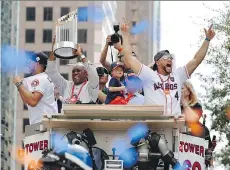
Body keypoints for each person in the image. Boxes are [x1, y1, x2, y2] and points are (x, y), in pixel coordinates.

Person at [121, 20, 215, 115]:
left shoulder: (178, 75)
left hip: (172, 125)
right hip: (154, 124)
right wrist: (125, 35)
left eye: (170, 58)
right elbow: (129, 58)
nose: (170, 60)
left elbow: (196, 60)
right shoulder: (149, 75)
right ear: (157, 62)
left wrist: (207, 40)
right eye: (165, 58)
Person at [46, 37, 99, 104]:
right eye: (73, 71)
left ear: (86, 74)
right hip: (67, 114)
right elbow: (51, 71)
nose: (75, 73)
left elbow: (92, 71)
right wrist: (54, 50)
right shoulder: (66, 85)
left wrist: (80, 54)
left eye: (78, 71)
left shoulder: (91, 86)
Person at [13, 52, 58, 124]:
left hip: (44, 124)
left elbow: (33, 102)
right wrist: (20, 86)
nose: (28, 65)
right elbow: (27, 101)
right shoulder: (44, 77)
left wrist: (19, 84)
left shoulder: (40, 78)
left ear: (37, 63)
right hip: (44, 123)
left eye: (30, 62)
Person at [181, 81, 216, 168]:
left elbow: (193, 118)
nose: (179, 90)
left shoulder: (196, 105)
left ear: (188, 92)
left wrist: (184, 103)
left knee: (204, 130)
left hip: (195, 135)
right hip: (179, 136)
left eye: (182, 88)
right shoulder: (174, 104)